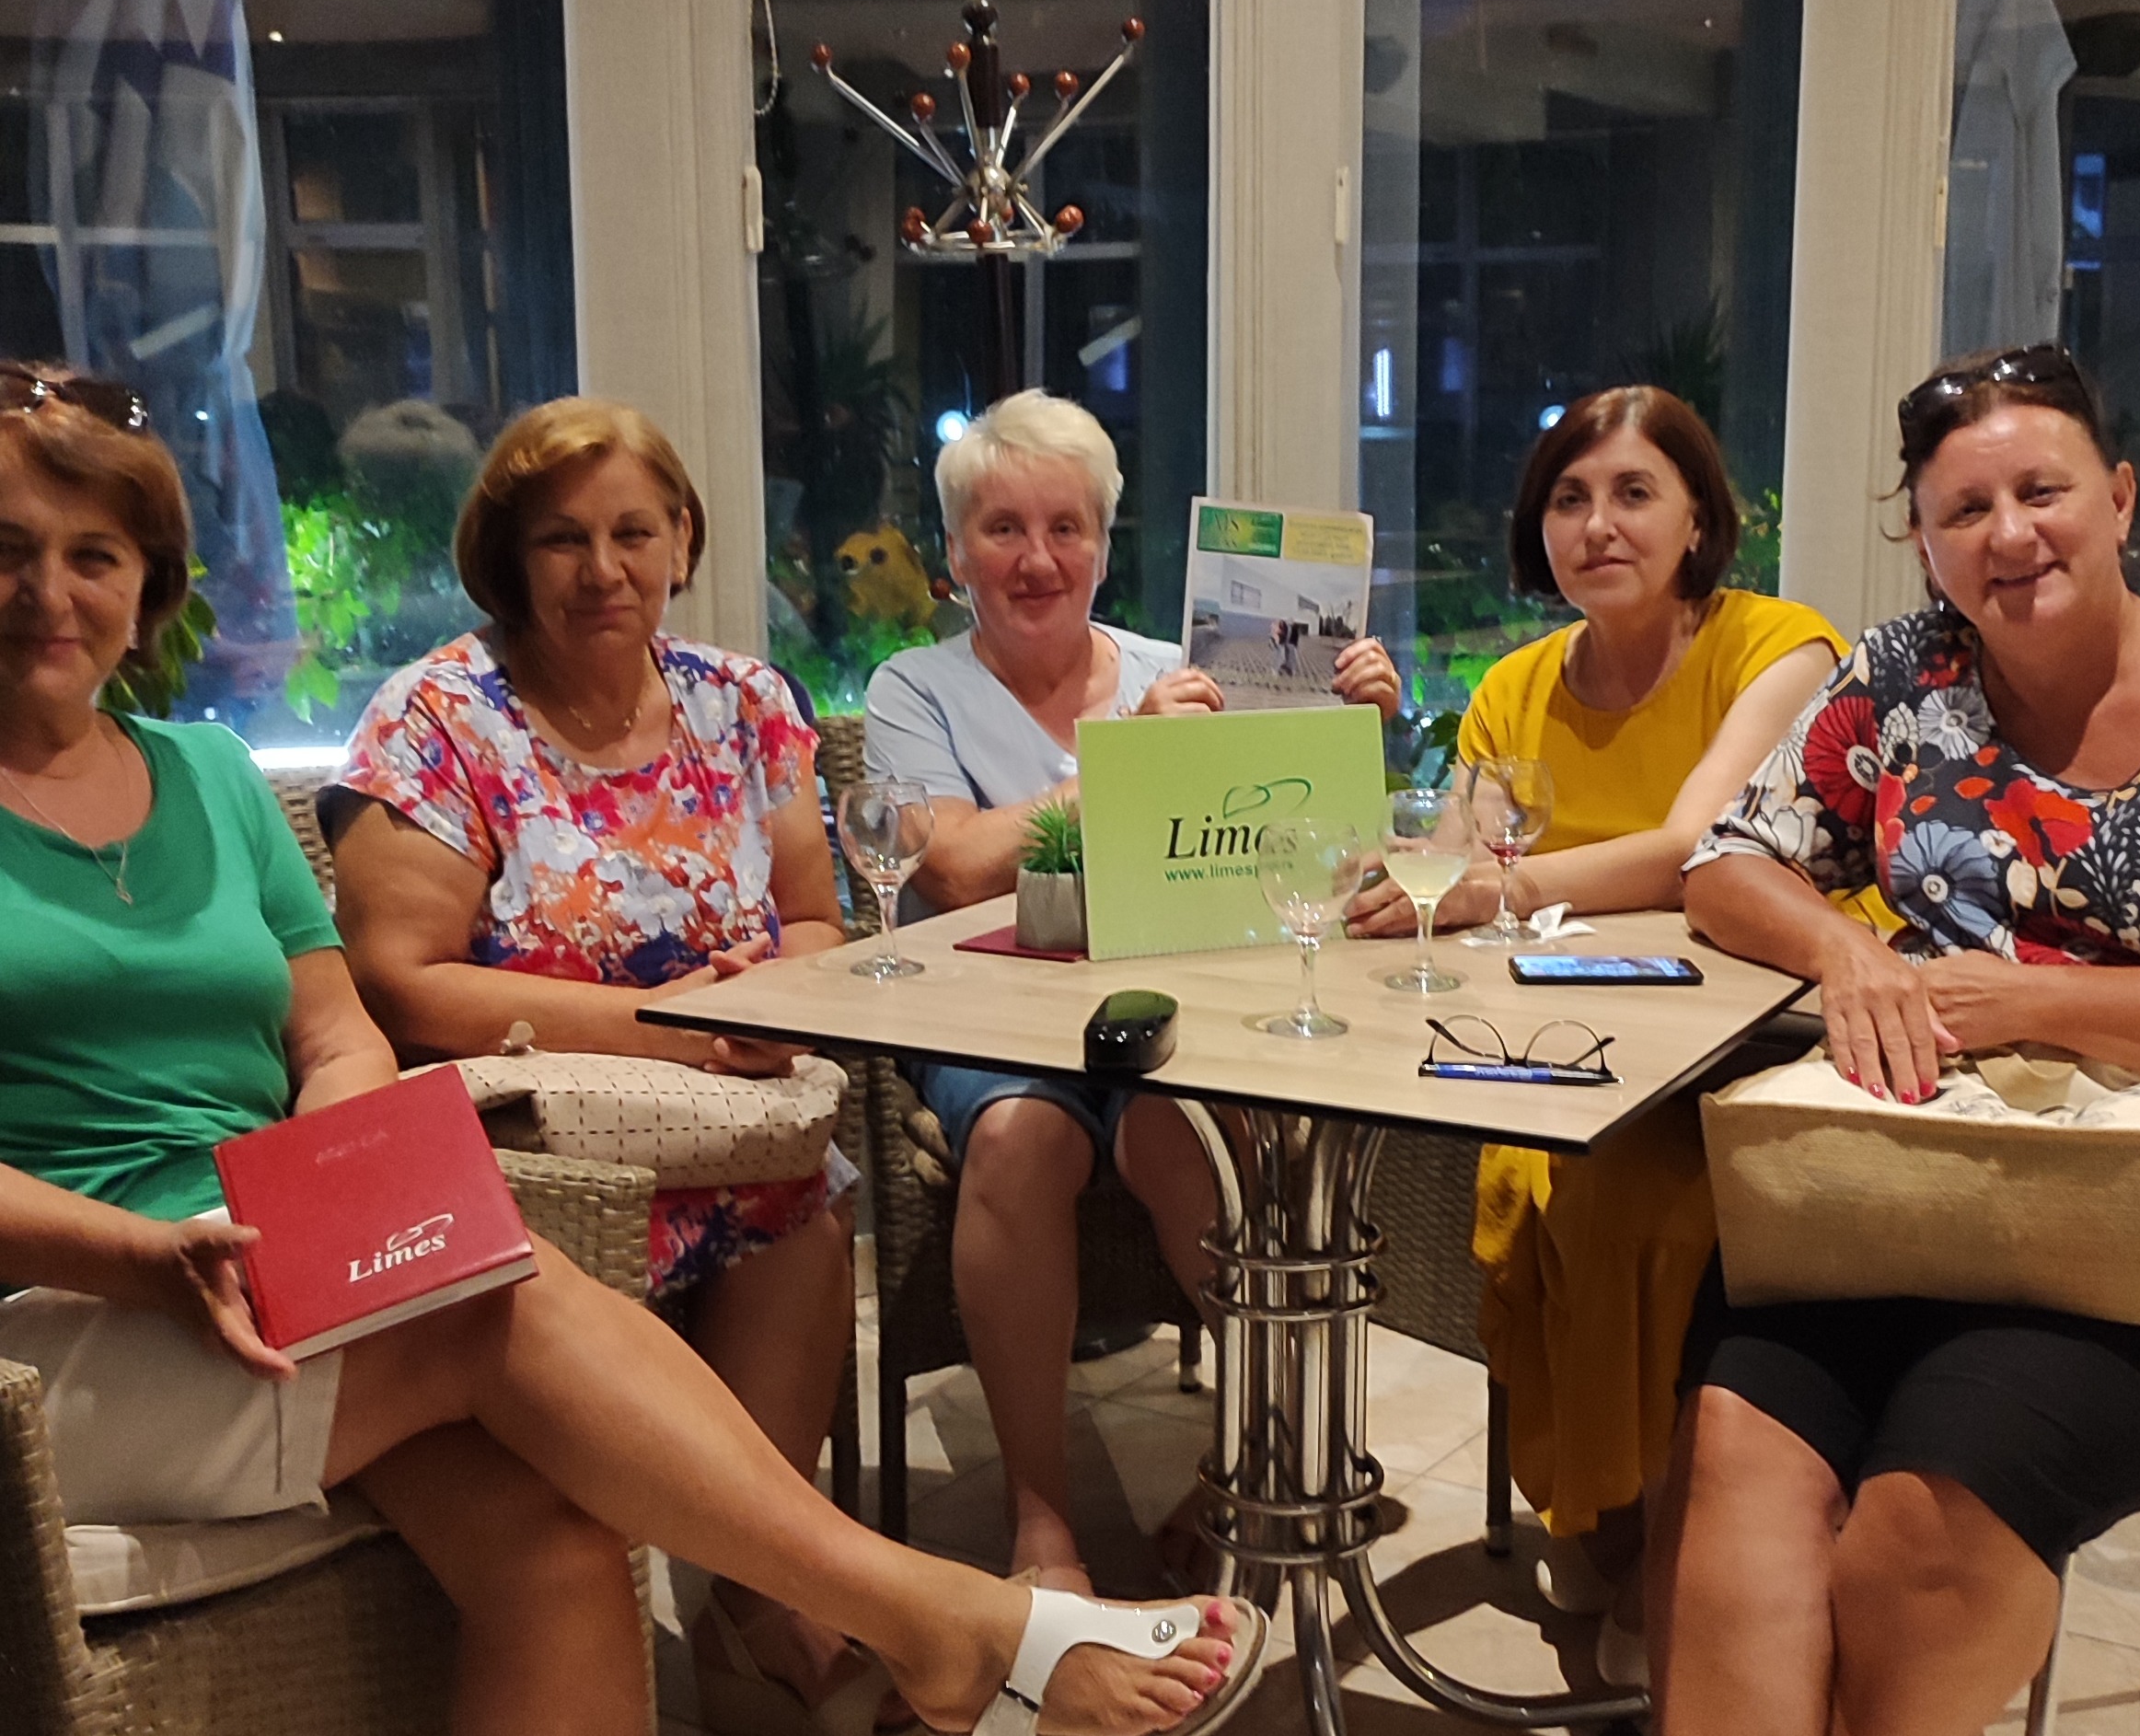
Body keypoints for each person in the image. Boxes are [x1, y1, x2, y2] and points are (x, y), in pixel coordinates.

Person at [0, 361, 1264, 1736]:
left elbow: (333, 1029)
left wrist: (326, 1198)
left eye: (92, 556)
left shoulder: (206, 775)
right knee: (487, 1290)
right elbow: (400, 983)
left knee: (563, 1547)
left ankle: (782, 1616)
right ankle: (943, 1624)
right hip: (69, 1304)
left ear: (150, 580)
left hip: (267, 1253)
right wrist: (147, 1249)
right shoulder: (443, 715)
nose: (48, 592)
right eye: (9, 551)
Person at [1660, 342, 2140, 1734]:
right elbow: (1726, 862)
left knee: (1924, 1522)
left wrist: (2026, 1000)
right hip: (1903, 1188)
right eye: (1964, 509)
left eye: (2043, 491)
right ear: (1923, 541)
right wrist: (1850, 949)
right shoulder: (1904, 676)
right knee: (1735, 1461)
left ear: (2121, 498)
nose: (2009, 534)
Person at [321, 397, 880, 1730]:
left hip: (729, 1119)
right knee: (748, 1202)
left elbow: (816, 921)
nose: (603, 568)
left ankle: (754, 1596)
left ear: (682, 539)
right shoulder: (439, 719)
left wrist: (768, 1003)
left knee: (804, 1209)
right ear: (507, 558)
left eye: (634, 532)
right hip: (530, 1143)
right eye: (562, 539)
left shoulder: (745, 703)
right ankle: (757, 1597)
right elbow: (400, 980)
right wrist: (660, 1026)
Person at [1345, 385, 1845, 1684]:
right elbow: (1449, 866)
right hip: (1574, 1054)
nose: (1597, 524)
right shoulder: (1515, 685)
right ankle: (1604, 1516)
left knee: (1643, 1207)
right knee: (1549, 1176)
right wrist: (1396, 858)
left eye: (1633, 493)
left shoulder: (1780, 647)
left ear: (1699, 519)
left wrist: (1492, 891)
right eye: (1569, 498)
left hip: (1765, 1050)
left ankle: (1662, 1541)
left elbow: (1696, 849)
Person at [863, 388, 1400, 1591]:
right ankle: (1040, 1523)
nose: (1037, 558)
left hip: (1168, 1012)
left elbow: (1302, 844)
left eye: (1067, 526)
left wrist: (1354, 726)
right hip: (989, 1019)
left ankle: (1260, 1460)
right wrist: (1129, 761)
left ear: (1105, 545)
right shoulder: (914, 686)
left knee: (1190, 1129)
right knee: (1020, 1137)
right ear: (956, 552)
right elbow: (953, 867)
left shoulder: (1184, 667)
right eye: (1003, 528)